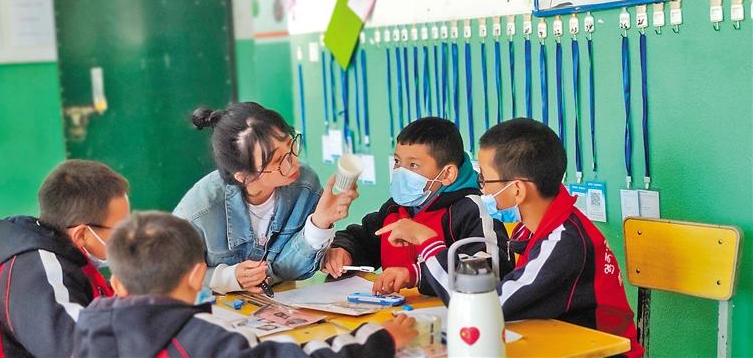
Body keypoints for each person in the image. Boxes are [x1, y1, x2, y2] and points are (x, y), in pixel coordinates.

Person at [377, 118, 643, 357]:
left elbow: (483, 307)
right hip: (555, 341)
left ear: (517, 190)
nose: (481, 189)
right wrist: (418, 274)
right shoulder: (536, 227)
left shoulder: (563, 242)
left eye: (484, 180)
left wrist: (428, 242)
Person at [72, 212, 418, 358]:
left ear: (117, 284)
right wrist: (379, 339)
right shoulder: (208, 339)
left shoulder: (87, 331)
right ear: (196, 275)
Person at [174, 102, 358, 294]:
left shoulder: (305, 185)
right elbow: (168, 277)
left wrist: (320, 223)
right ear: (243, 176)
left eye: (291, 145)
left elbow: (288, 270)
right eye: (278, 161)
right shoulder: (199, 209)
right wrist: (226, 278)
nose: (293, 162)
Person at [322, 117, 513, 296]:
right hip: (398, 314)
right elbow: (361, 238)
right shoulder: (395, 207)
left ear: (447, 174)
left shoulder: (472, 210)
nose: (400, 172)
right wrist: (343, 251)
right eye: (397, 162)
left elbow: (492, 270)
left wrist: (417, 274)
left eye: (413, 165)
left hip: (451, 314)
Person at [0, 160, 130, 358]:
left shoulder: (62, 253)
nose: (129, 237)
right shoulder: (38, 273)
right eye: (121, 229)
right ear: (82, 235)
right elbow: (84, 351)